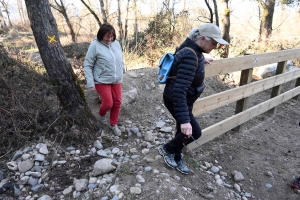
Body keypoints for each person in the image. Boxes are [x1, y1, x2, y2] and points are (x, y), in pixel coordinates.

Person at [157, 23, 228, 174]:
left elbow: (188, 59)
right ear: (202, 39)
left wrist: (202, 59)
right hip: (177, 98)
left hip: (184, 98)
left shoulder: (192, 49)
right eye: (214, 43)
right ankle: (167, 149)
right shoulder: (190, 55)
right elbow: (179, 89)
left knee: (181, 130)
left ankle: (177, 156)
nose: (215, 47)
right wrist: (185, 120)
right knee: (194, 132)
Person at [84, 23, 125, 136]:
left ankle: (113, 124)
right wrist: (90, 82)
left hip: (117, 79)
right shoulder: (95, 45)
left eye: (112, 36)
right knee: (108, 103)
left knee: (117, 102)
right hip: (101, 79)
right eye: (107, 36)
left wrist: (123, 69)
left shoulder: (116, 43)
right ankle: (102, 114)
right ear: (101, 35)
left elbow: (120, 58)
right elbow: (88, 64)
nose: (110, 39)